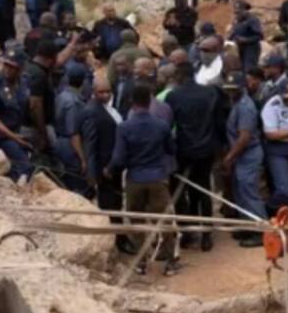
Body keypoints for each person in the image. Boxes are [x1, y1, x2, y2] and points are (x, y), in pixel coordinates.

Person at [107, 82, 181, 275]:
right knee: (165, 221)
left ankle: (142, 261)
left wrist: (110, 170)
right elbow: (171, 150)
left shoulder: (124, 127)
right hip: (158, 178)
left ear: (132, 102)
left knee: (136, 220)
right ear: (150, 101)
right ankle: (170, 262)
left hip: (135, 180)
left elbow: (119, 158)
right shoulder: (161, 125)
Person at [165, 61, 220, 251]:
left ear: (179, 76)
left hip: (184, 150)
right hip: (205, 149)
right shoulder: (209, 93)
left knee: (181, 191)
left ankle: (187, 233)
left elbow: (169, 124)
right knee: (203, 190)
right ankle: (206, 235)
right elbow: (216, 121)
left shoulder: (173, 96)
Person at [81, 77, 137, 255]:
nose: (105, 95)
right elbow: (90, 144)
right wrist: (92, 171)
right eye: (101, 92)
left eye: (107, 91)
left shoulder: (111, 109)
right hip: (103, 168)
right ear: (94, 92)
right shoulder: (91, 111)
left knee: (116, 202)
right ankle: (118, 240)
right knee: (109, 205)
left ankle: (119, 238)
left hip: (115, 165)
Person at [220, 72, 266, 246]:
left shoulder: (245, 106)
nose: (230, 93)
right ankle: (248, 225)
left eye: (234, 89)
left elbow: (244, 137)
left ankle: (261, 230)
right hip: (241, 155)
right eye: (228, 90)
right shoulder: (237, 102)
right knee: (240, 191)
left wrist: (229, 157)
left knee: (249, 192)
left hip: (248, 153)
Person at [0, 52, 33, 181]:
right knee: (24, 166)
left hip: (19, 129)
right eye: (6, 65)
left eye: (12, 67)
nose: (8, 69)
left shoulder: (24, 81)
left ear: (20, 68)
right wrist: (14, 137)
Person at [261, 77, 288, 214]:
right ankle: (269, 211)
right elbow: (271, 134)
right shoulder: (271, 106)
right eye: (286, 98)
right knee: (285, 190)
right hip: (278, 150)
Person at [52, 64, 90, 195]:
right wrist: (82, 158)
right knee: (77, 185)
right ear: (83, 81)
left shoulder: (61, 96)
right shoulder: (74, 102)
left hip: (59, 141)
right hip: (70, 146)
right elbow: (74, 133)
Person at [229, 0, 263, 72]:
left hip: (251, 49)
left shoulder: (253, 20)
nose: (237, 14)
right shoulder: (237, 20)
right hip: (240, 48)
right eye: (235, 12)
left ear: (245, 10)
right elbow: (233, 33)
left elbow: (259, 36)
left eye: (239, 12)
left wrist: (245, 40)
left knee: (249, 69)